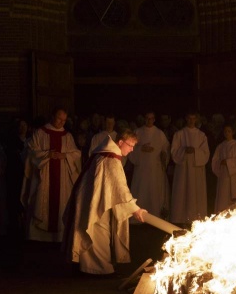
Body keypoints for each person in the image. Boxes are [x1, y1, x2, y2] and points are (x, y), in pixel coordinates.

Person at [66, 129, 146, 275]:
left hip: (94, 199)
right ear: (120, 142)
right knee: (99, 232)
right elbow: (120, 188)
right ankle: (99, 269)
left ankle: (92, 267)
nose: (132, 149)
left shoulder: (105, 154)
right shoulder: (110, 159)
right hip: (96, 203)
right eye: (130, 145)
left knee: (98, 231)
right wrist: (135, 209)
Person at [22, 109, 81, 242]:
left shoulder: (67, 136)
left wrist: (65, 156)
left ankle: (59, 237)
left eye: (64, 120)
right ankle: (38, 236)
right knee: (41, 201)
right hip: (44, 176)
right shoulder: (40, 133)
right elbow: (31, 153)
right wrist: (47, 155)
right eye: (59, 119)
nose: (61, 123)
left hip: (62, 178)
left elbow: (76, 154)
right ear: (52, 116)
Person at [170, 111, 210, 227]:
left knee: (195, 192)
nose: (191, 121)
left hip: (196, 170)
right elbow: (174, 151)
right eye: (189, 118)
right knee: (183, 192)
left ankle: (195, 219)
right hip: (183, 170)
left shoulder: (201, 135)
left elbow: (205, 153)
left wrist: (195, 151)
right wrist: (183, 151)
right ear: (186, 119)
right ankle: (181, 218)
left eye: (193, 119)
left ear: (196, 120)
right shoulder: (179, 134)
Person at [128, 112, 170, 219]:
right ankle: (138, 217)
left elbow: (165, 148)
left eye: (151, 118)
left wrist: (164, 156)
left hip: (154, 170)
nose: (149, 121)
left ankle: (154, 216)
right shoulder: (138, 132)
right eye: (147, 118)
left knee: (154, 193)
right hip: (141, 169)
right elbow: (131, 149)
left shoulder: (159, 133)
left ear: (154, 119)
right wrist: (141, 149)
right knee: (141, 191)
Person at [211, 124, 236, 213]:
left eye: (229, 131)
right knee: (223, 199)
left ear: (233, 132)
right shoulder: (220, 147)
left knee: (234, 200)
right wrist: (221, 163)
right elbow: (215, 161)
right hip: (223, 177)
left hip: (235, 178)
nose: (227, 133)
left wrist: (228, 162)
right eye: (225, 131)